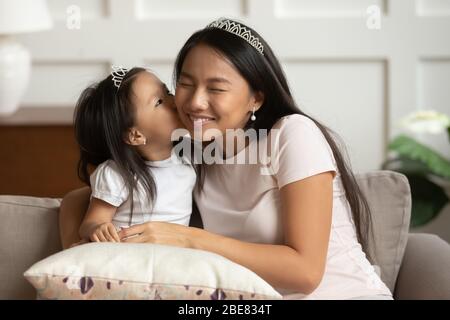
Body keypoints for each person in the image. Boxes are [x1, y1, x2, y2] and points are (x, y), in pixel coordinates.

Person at [59, 18, 392, 299]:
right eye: (186, 84)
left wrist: (190, 240)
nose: (194, 102)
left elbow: (305, 273)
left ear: (256, 98)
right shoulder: (195, 152)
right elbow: (80, 199)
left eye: (216, 88)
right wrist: (85, 246)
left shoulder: (291, 135)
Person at [72, 66, 196, 244]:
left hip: (173, 257)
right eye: (159, 102)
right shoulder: (117, 174)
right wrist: (96, 228)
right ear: (136, 135)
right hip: (130, 258)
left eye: (167, 91)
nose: (174, 100)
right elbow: (91, 222)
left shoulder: (188, 159)